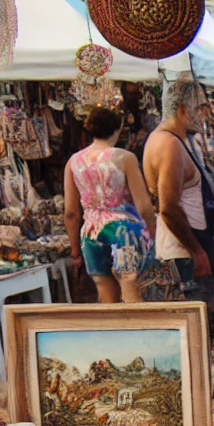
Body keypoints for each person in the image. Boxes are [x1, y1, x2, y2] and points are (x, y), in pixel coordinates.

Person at [64, 106, 157, 304]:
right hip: (125, 231)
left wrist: (74, 249)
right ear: (118, 128)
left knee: (106, 296)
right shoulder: (124, 158)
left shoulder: (74, 162)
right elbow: (143, 206)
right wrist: (152, 232)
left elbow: (71, 212)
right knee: (132, 293)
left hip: (91, 233)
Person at [143, 75, 214, 296]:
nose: (205, 115)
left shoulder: (169, 140)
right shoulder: (169, 144)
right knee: (199, 323)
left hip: (183, 251)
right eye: (201, 107)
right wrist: (197, 252)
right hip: (183, 255)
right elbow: (168, 206)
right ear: (184, 109)